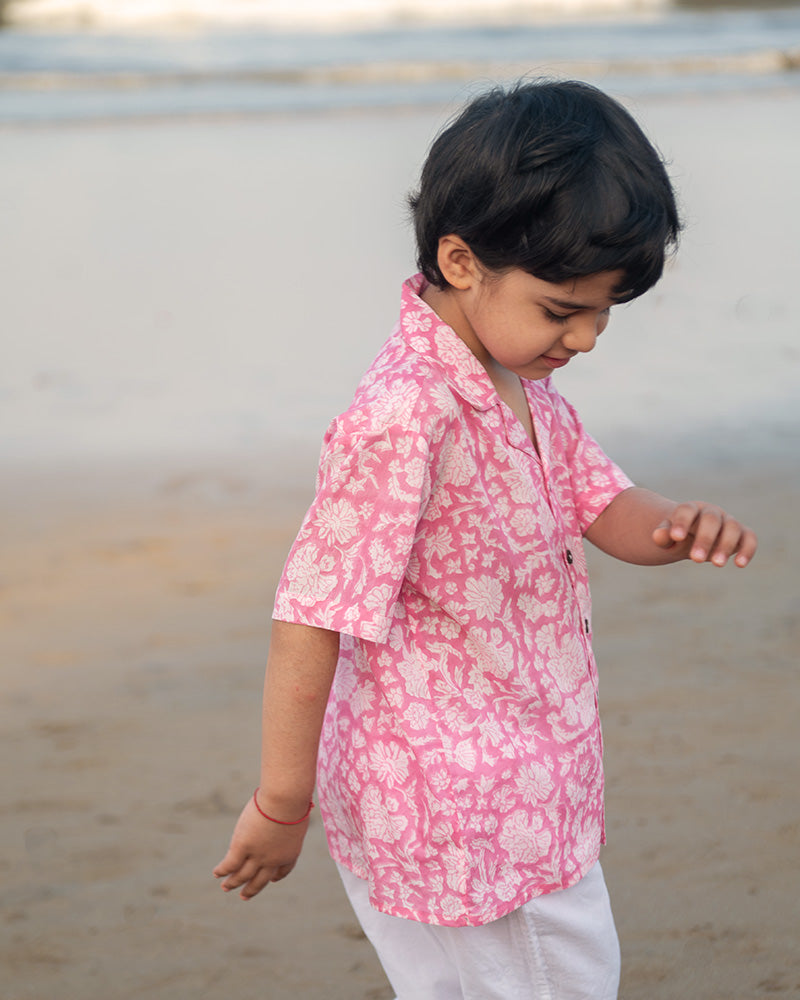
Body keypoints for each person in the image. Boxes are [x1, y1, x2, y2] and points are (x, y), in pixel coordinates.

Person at [213, 80, 757, 999]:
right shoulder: (403, 418)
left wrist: (672, 527)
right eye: (562, 310)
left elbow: (600, 500)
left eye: (605, 313)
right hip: (452, 806)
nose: (585, 339)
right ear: (461, 261)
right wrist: (282, 803)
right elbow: (311, 617)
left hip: (528, 773)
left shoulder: (516, 374)